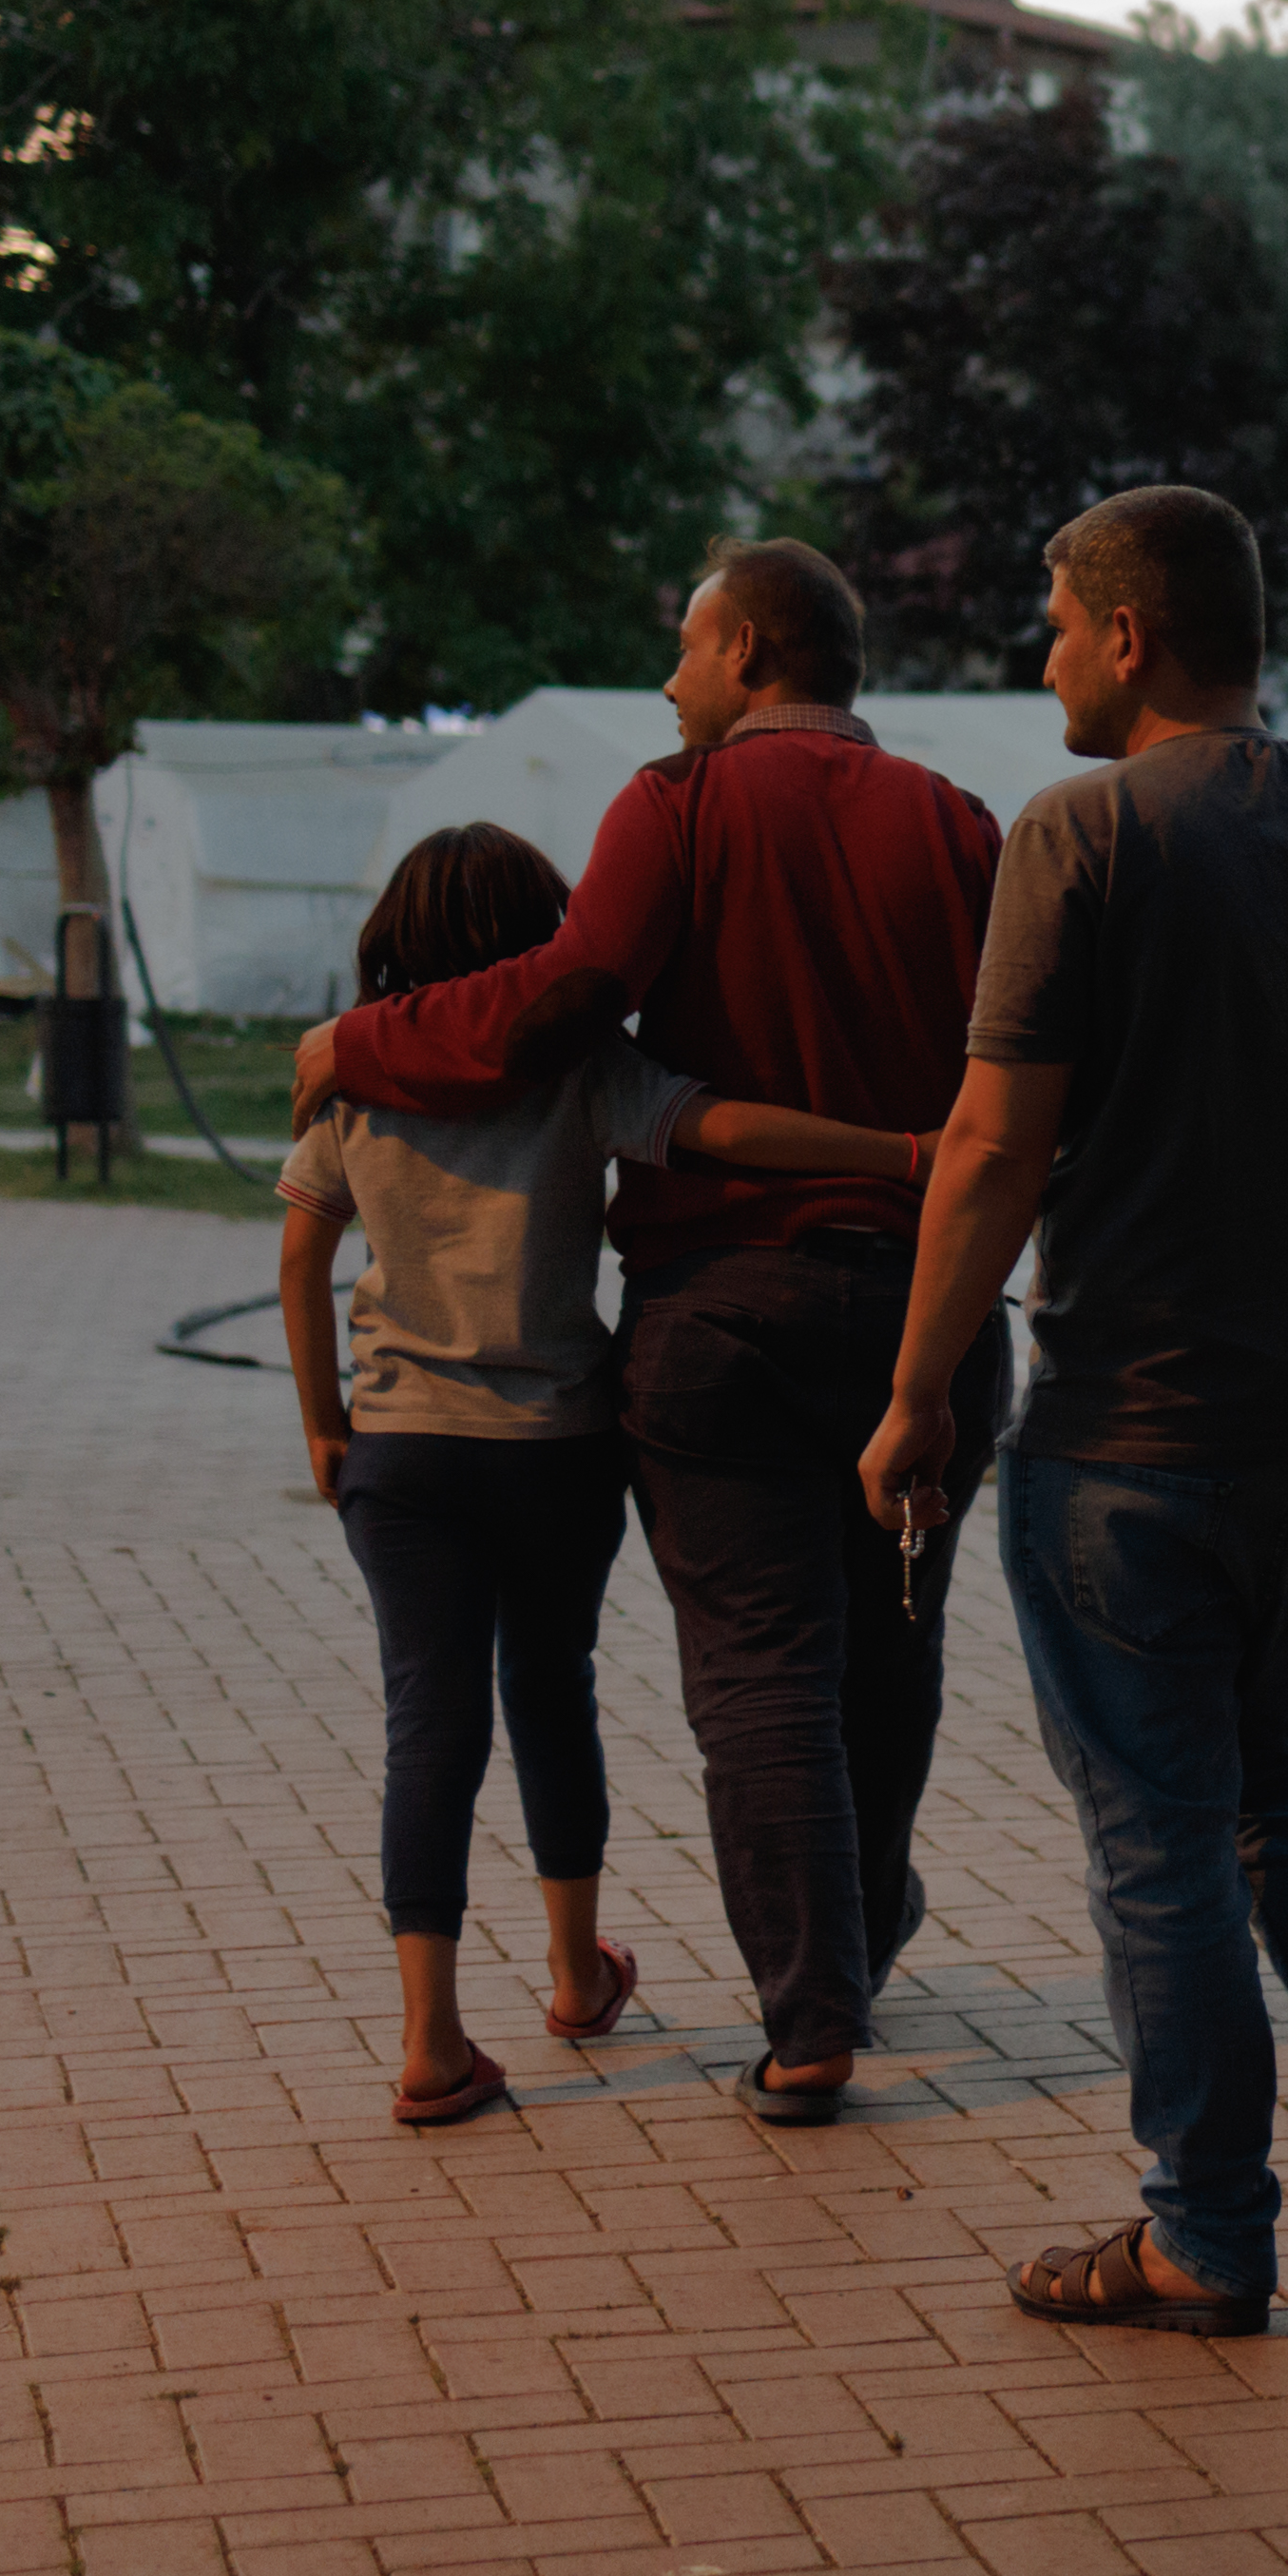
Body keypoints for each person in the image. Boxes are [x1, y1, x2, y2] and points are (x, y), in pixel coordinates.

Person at [856, 484, 1288, 2337]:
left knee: (1159, 1826)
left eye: (1059, 624)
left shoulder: (1078, 840)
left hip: (1135, 1426)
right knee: (1277, 1772)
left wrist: (919, 1393)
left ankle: (1201, 2232)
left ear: (1131, 636)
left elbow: (994, 1142)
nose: (1044, 656)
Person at [294, 538, 1007, 2125]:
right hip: (931, 1308)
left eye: (684, 650)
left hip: (725, 1319)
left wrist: (363, 1035)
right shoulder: (962, 825)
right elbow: (1017, 1066)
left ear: (747, 651)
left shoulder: (674, 806)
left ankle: (810, 2012)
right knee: (894, 1646)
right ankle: (861, 1932)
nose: (669, 681)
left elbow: (564, 999)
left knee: (764, 1667)